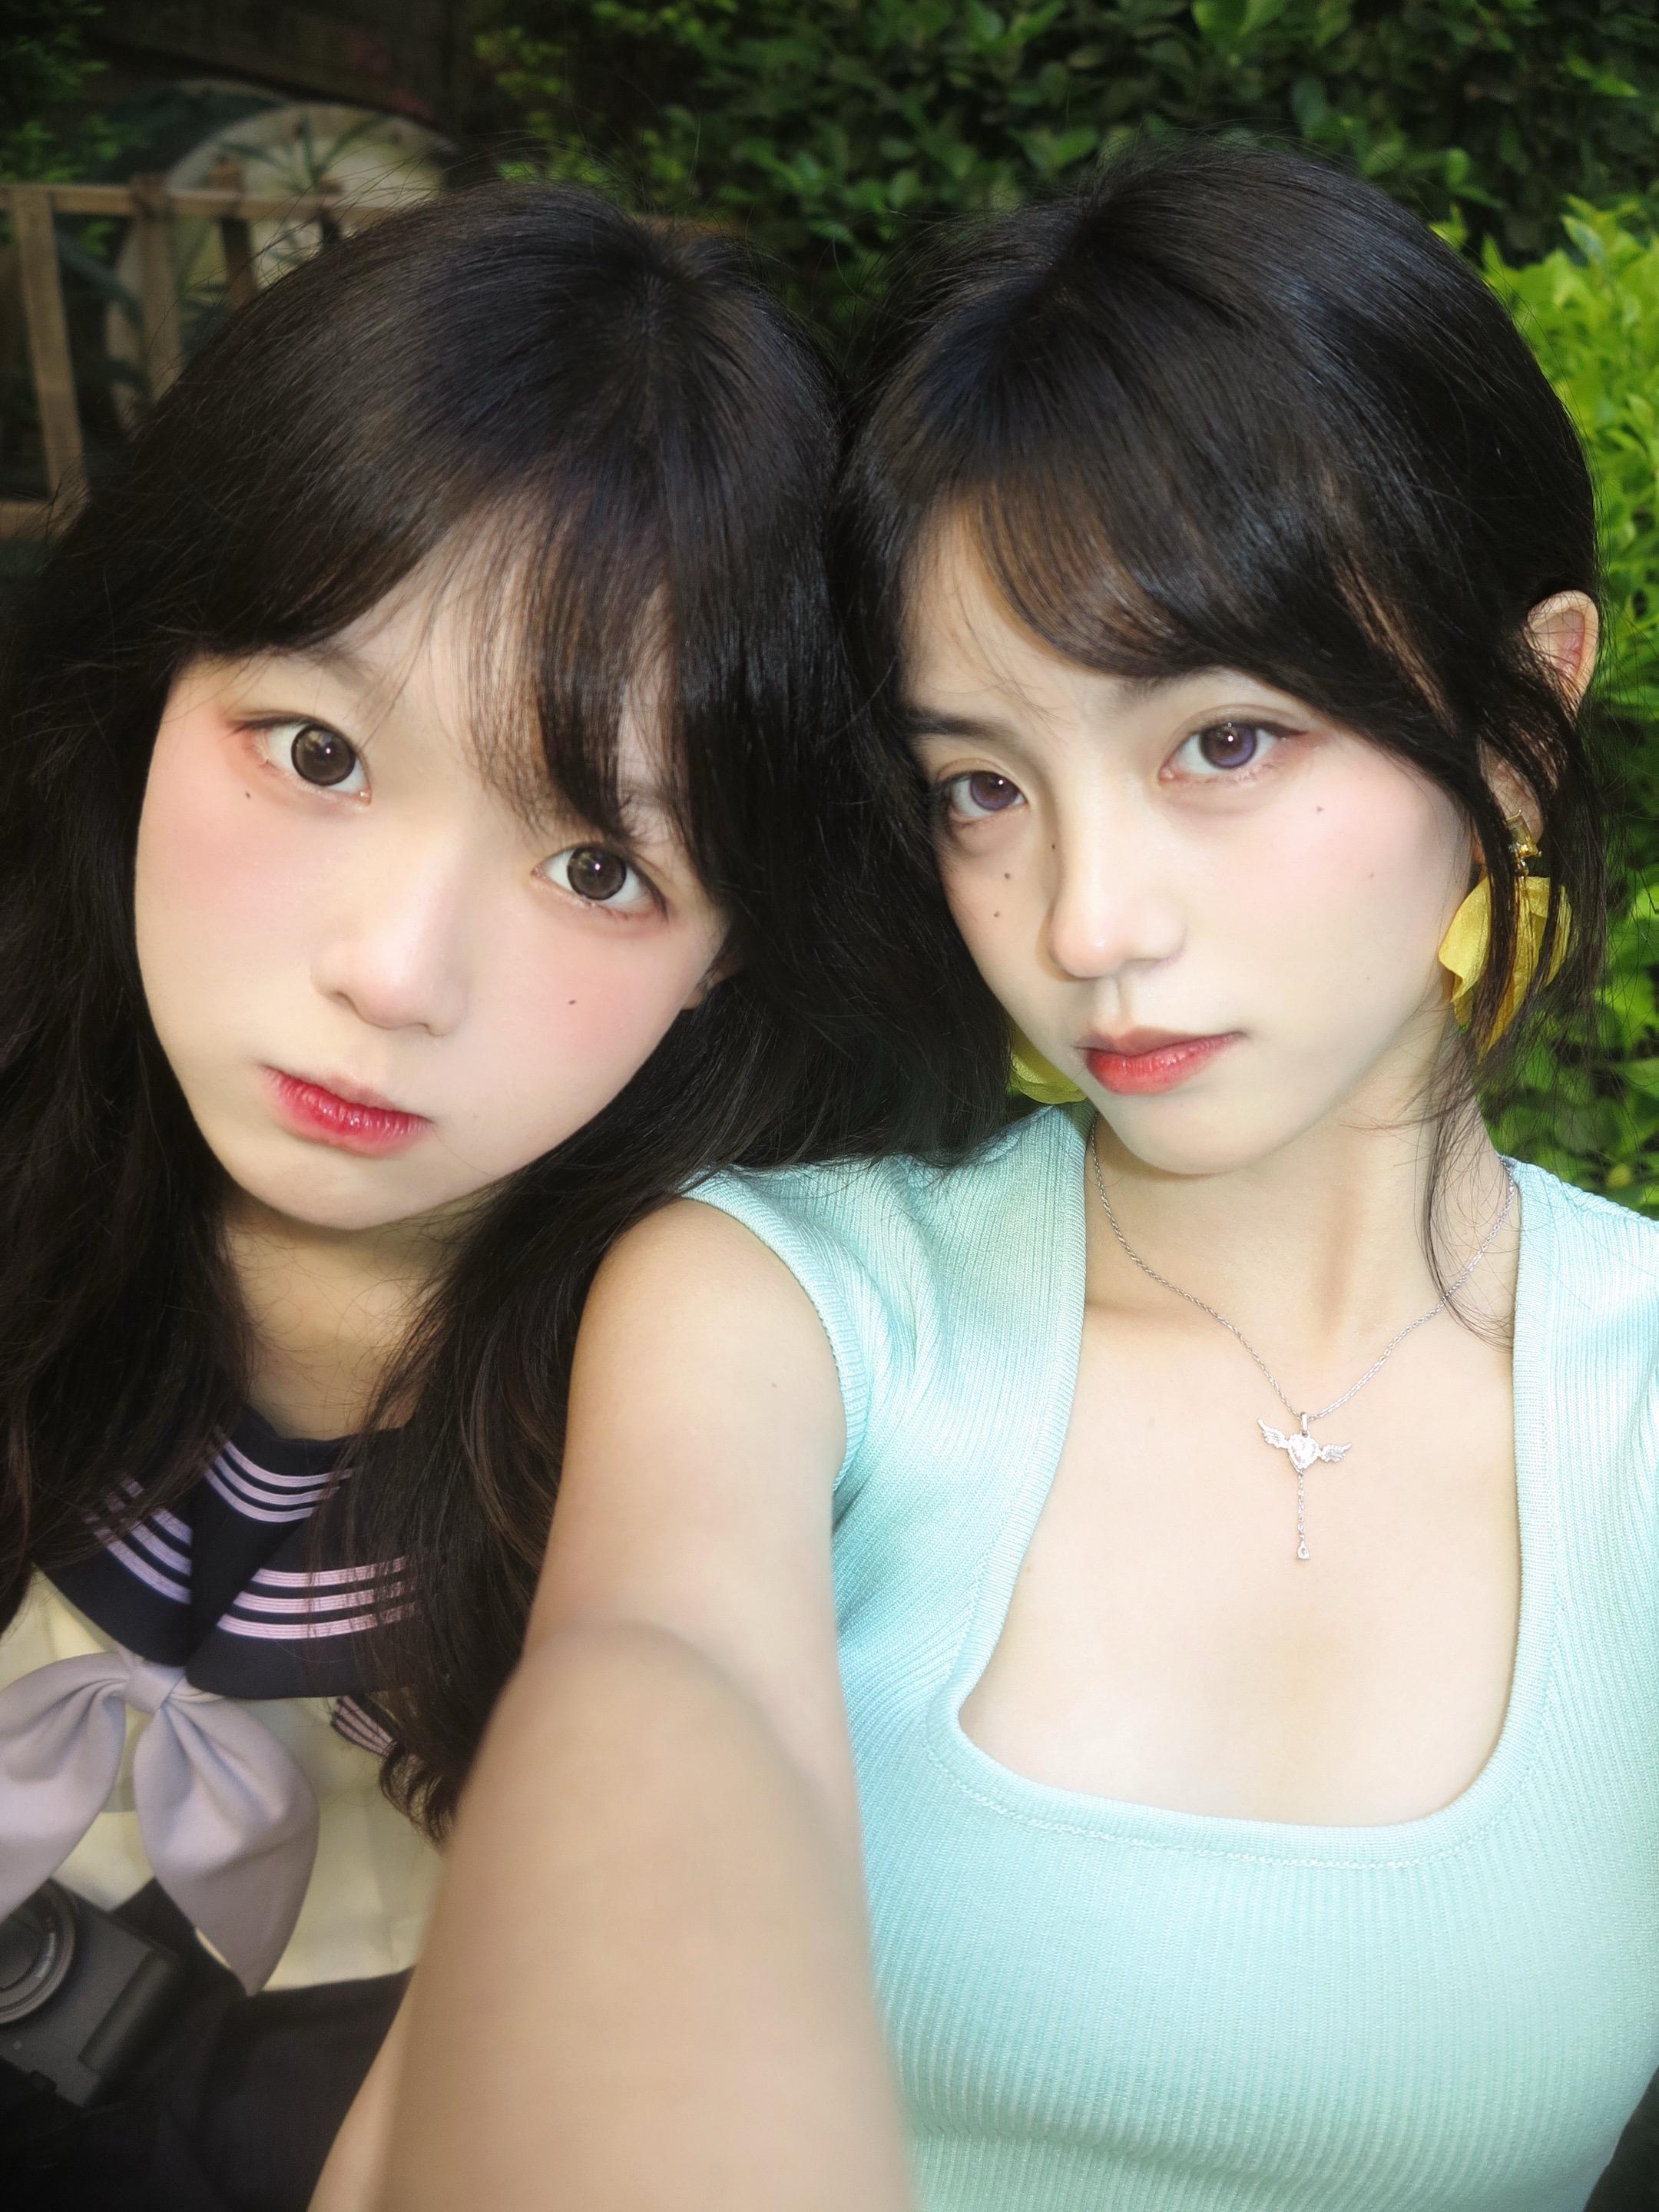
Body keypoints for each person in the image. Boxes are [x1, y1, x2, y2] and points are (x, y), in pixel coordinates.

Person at [367, 143, 1659, 2212]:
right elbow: (656, 1685)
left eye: (1221, 742)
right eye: (983, 784)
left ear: (1517, 726)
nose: (1084, 923)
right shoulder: (784, 1313)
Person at [0, 184, 1004, 2212]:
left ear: (738, 939)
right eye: (313, 751)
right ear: (148, 689)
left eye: (598, 866)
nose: (394, 974)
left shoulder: (760, 1425)